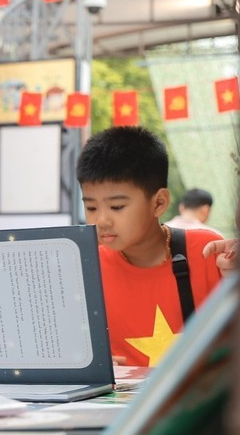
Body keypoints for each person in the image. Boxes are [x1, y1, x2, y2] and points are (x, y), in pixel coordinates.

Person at [76, 126, 222, 367]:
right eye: (91, 207)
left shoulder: (208, 253)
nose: (101, 220)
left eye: (117, 207)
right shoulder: (86, 267)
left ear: (159, 203)